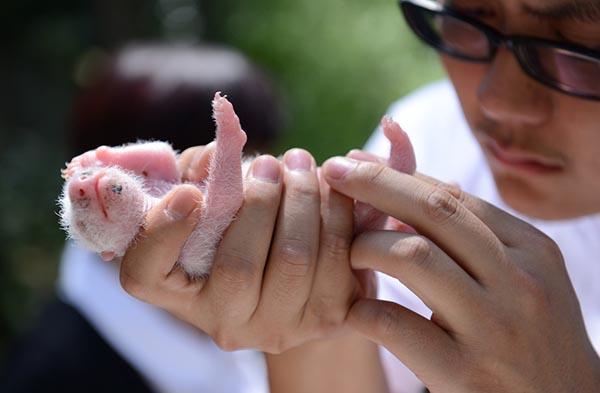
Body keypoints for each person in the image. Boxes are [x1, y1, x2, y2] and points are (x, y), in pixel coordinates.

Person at [19, 0, 600, 391]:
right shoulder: (433, 135)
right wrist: (312, 322)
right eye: (467, 19)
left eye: (580, 43)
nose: (499, 100)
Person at [0, 43, 283, 393]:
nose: (257, 186)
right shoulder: (53, 374)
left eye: (257, 156)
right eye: (237, 159)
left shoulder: (250, 322)